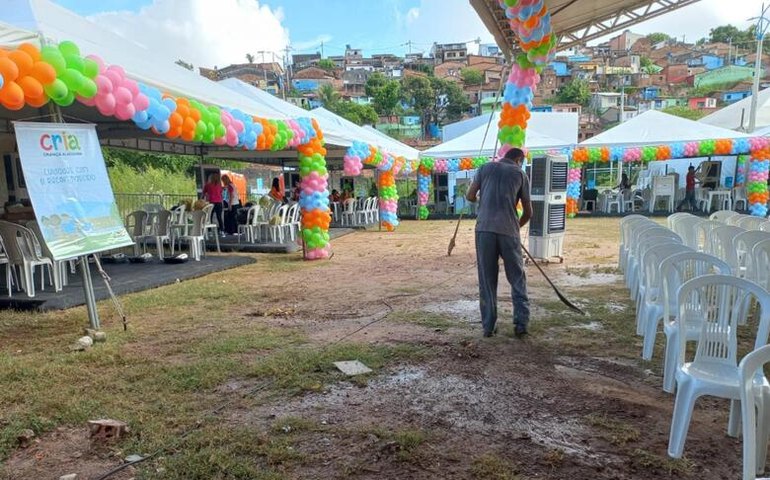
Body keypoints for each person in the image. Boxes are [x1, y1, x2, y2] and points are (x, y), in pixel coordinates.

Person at [466, 147, 532, 338]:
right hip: (508, 231)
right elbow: (529, 212)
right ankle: (521, 325)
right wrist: (515, 228)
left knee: (487, 279)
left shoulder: (484, 168)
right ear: (519, 159)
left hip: (484, 229)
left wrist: (483, 199)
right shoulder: (520, 174)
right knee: (517, 278)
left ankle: (488, 326)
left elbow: (470, 196)